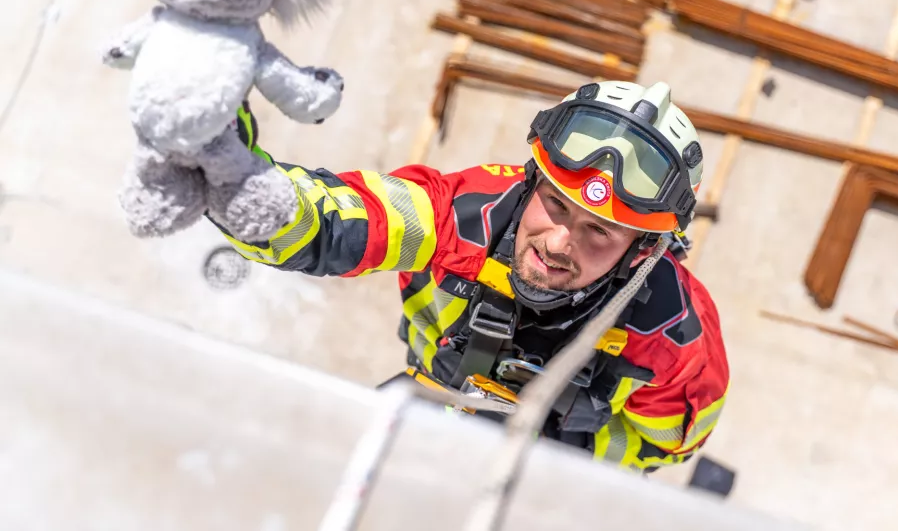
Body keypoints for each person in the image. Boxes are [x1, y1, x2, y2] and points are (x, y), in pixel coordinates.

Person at [210, 79, 730, 473]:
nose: (557, 243)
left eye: (598, 231)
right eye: (555, 204)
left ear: (642, 251)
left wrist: (556, 456)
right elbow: (330, 222)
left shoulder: (677, 336)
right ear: (531, 181)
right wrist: (229, 173)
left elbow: (663, 445)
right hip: (424, 408)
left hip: (544, 481)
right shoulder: (465, 215)